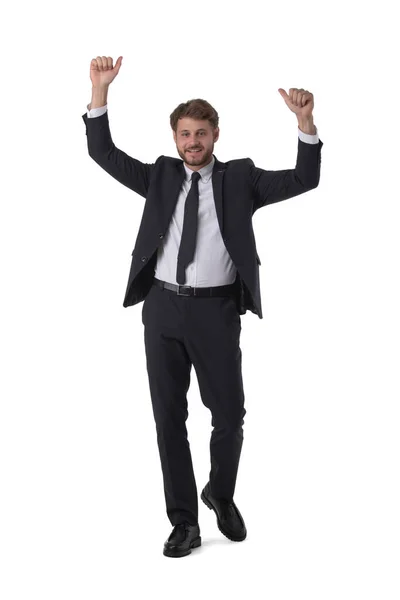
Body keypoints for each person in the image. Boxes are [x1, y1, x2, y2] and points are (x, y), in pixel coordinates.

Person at [82, 55, 323, 558]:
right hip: (163, 311)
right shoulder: (161, 177)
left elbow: (304, 179)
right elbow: (103, 152)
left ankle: (221, 492)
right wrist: (100, 93)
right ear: (175, 139)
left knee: (229, 413)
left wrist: (305, 125)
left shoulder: (242, 179)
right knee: (168, 416)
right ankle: (184, 521)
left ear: (216, 135)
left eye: (201, 134)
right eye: (185, 135)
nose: (193, 143)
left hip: (216, 313)